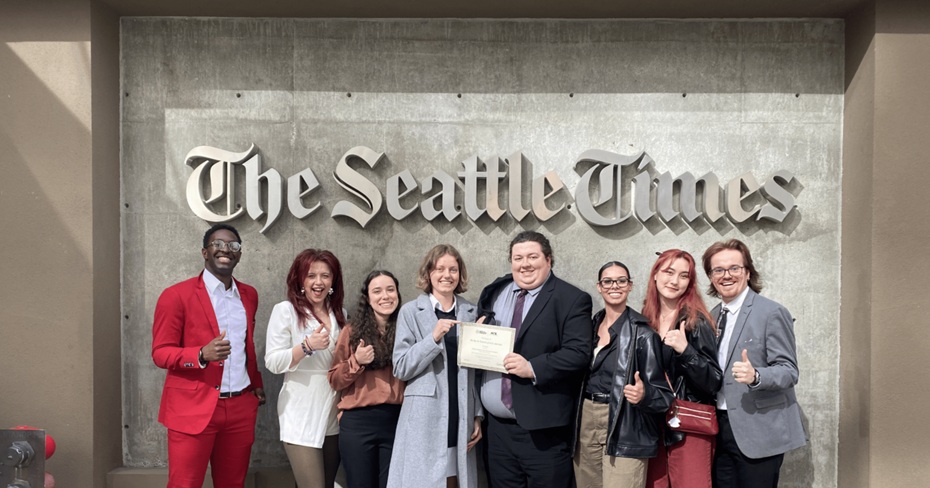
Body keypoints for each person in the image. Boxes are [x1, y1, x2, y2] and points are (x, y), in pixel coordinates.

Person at [151, 223, 266, 488]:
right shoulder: (175, 296)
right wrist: (201, 354)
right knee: (184, 484)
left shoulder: (249, 295)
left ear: (239, 254)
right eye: (218, 244)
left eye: (233, 245)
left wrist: (256, 382)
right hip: (192, 408)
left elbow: (247, 345)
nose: (226, 249)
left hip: (240, 407)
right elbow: (160, 353)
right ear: (205, 252)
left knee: (233, 484)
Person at [476, 231, 593, 488]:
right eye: (518, 258)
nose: (525, 264)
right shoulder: (495, 291)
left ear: (548, 260)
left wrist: (532, 367)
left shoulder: (572, 299)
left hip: (543, 433)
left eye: (532, 256)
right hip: (496, 431)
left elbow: (579, 353)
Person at [701, 239, 806, 488]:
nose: (726, 275)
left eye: (734, 268)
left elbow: (789, 371)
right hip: (721, 428)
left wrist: (756, 376)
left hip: (759, 431)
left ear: (747, 272)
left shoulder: (771, 312)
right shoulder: (712, 316)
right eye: (718, 270)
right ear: (710, 276)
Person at [388, 244, 484, 488]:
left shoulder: (470, 312)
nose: (446, 275)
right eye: (440, 268)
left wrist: (477, 414)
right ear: (428, 273)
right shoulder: (410, 311)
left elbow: (475, 371)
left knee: (454, 480)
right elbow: (401, 367)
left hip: (460, 413)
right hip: (424, 416)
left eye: (453, 269)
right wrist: (432, 338)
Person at [574, 261, 674, 488]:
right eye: (608, 281)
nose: (614, 286)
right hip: (587, 418)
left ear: (630, 286)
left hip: (625, 421)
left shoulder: (644, 334)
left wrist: (644, 394)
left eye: (621, 281)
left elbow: (664, 396)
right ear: (599, 286)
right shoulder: (588, 326)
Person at [265, 249, 345, 488]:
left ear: (333, 281)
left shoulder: (340, 314)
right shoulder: (285, 311)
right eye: (311, 275)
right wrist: (306, 346)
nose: (318, 282)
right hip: (301, 410)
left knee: (328, 483)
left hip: (333, 409)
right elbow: (273, 362)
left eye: (325, 275)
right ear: (300, 280)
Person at [642, 250, 722, 488]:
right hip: (652, 424)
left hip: (688, 425)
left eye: (683, 276)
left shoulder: (696, 321)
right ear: (655, 275)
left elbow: (713, 381)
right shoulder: (645, 318)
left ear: (690, 283)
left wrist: (686, 350)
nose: (674, 281)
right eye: (668, 272)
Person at [328, 270, 405, 488]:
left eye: (390, 290)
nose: (385, 296)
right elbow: (334, 379)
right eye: (377, 291)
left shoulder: (406, 330)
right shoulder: (352, 332)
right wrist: (356, 361)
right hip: (358, 422)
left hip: (396, 420)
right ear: (368, 298)